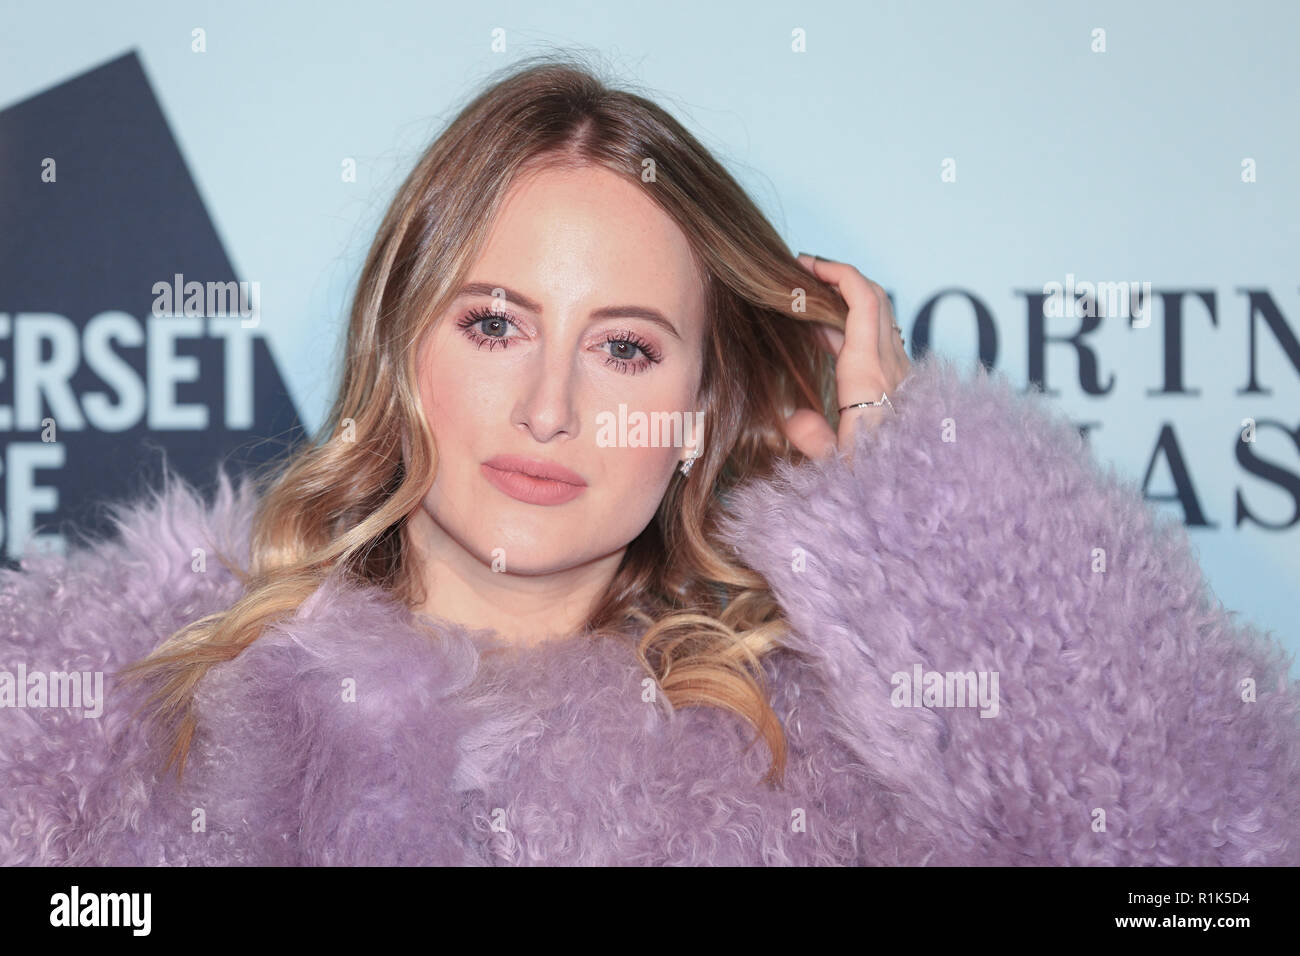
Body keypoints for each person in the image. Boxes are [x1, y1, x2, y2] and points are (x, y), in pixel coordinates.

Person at [2, 55, 1297, 867]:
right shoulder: (131, 699)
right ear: (400, 352)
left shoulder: (825, 761)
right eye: (496, 323)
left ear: (699, 410)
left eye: (624, 348)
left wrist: (926, 496)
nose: (552, 407)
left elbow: (1210, 858)